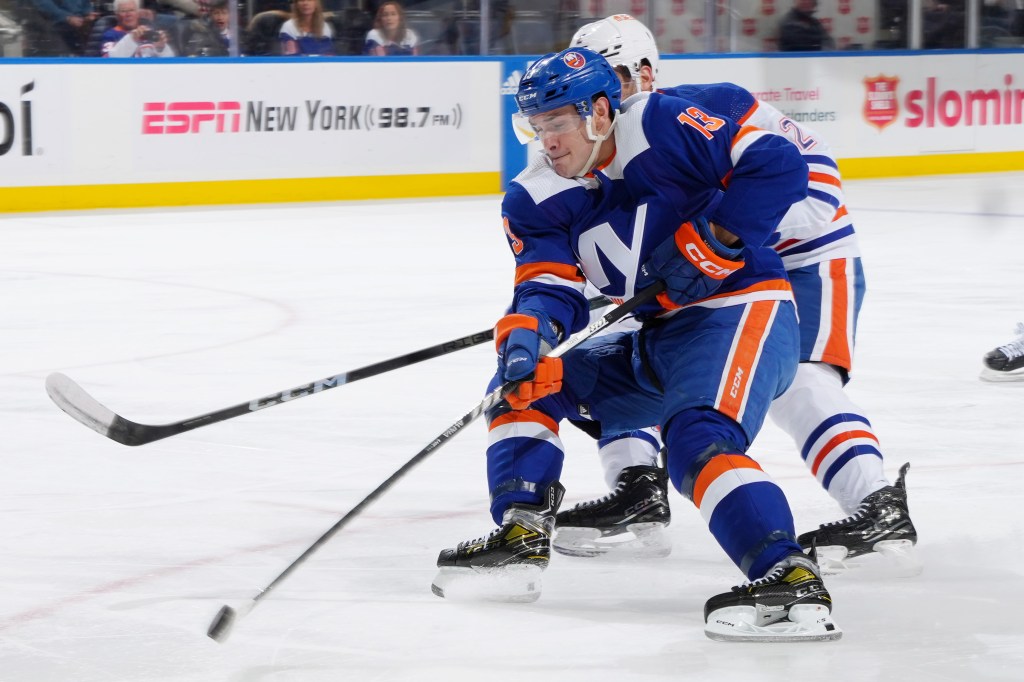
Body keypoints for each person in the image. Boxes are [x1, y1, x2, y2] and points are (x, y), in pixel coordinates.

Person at [433, 46, 842, 641]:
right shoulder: (534, 196)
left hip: (742, 310)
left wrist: (715, 241)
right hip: (659, 334)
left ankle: (788, 576)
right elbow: (547, 285)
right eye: (536, 126)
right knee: (526, 385)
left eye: (558, 123)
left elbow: (777, 165)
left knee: (697, 436)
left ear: (600, 111)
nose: (547, 141)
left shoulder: (661, 123)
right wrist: (529, 331)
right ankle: (521, 533)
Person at [556, 14, 918, 574]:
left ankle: (877, 504)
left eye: (616, 76)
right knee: (636, 342)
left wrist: (715, 241)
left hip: (808, 261)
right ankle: (637, 488)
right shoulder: (613, 148)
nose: (602, 96)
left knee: (800, 380)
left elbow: (814, 189)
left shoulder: (703, 111)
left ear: (646, 72)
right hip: (718, 276)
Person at [105, 0, 176, 57]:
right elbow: (108, 62)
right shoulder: (110, 35)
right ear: (117, 15)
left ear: (138, 13)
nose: (128, 14)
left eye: (132, 10)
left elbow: (170, 62)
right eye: (123, 11)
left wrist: (161, 48)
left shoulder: (150, 32)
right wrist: (131, 39)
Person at [30, 0, 97, 55]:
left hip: (78, 36)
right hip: (52, 35)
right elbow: (44, 5)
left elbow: (85, 7)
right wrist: (67, 18)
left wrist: (88, 16)